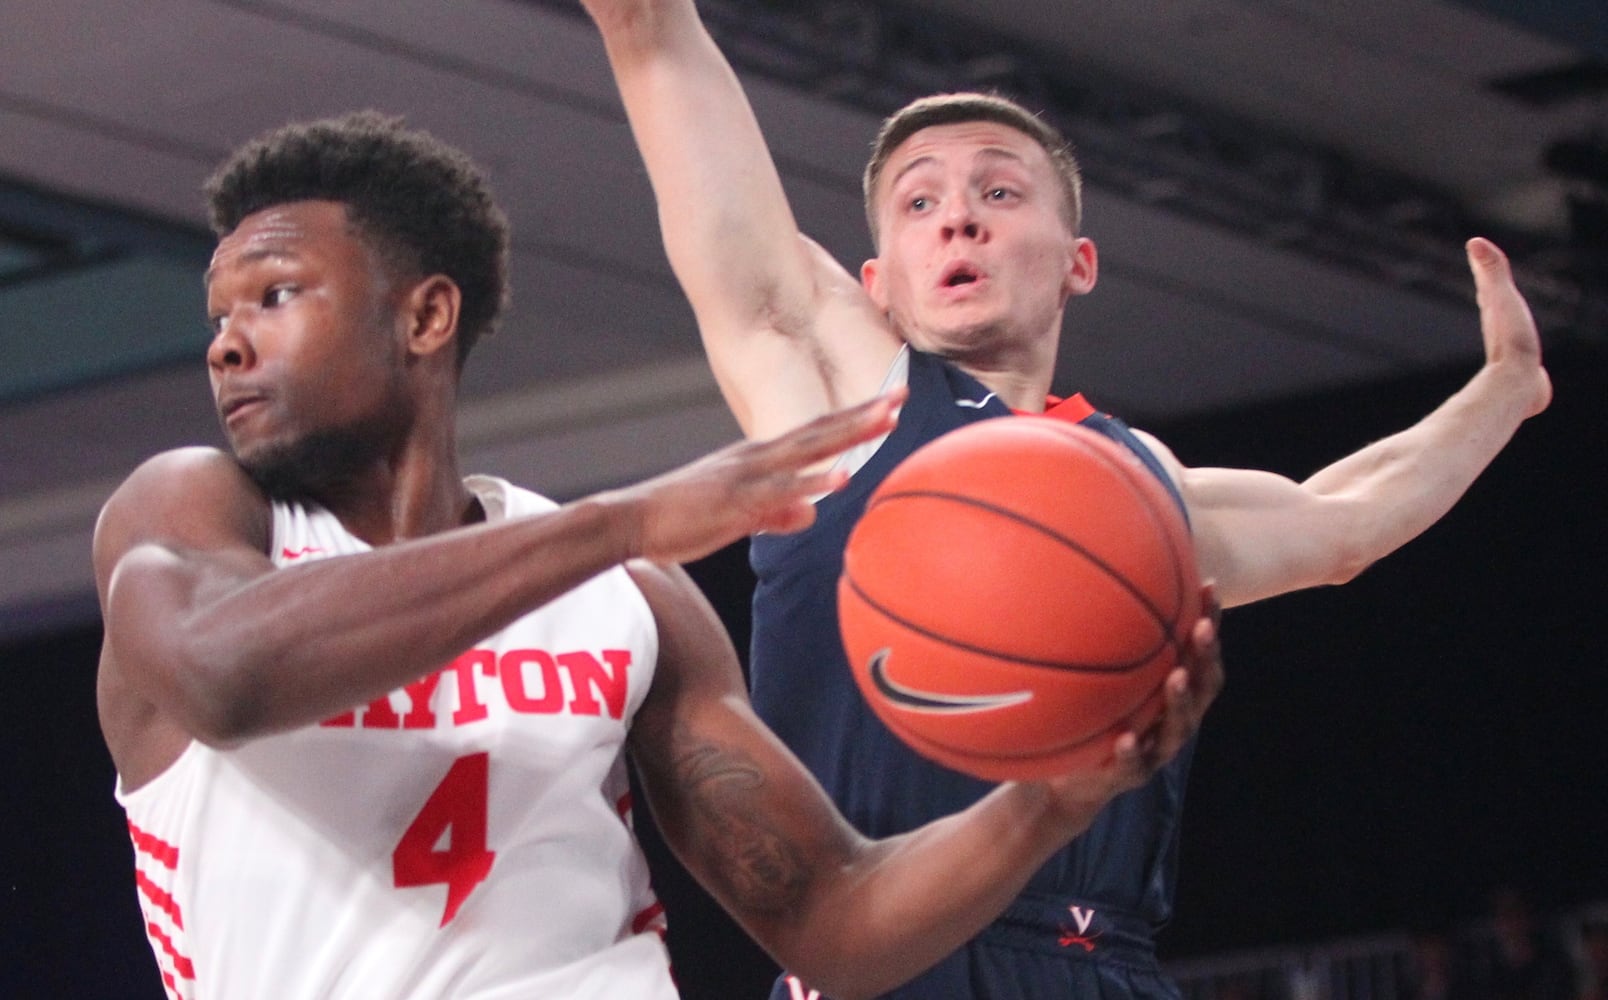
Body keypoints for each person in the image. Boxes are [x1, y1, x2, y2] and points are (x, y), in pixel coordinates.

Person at [91, 111, 1220, 1000]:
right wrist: (619, 521)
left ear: (425, 318)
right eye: (218, 312)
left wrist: (1049, 802)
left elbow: (832, 913)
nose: (227, 341)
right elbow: (225, 676)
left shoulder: (629, 601)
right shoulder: (190, 511)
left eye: (276, 294)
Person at [579, 1, 1553, 998]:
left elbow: (1344, 518)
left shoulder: (1135, 486)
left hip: (1104, 968)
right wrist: (640, 23)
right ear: (878, 286)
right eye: (918, 203)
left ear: (1077, 263)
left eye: (999, 190)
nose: (957, 214)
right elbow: (668, 70)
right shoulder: (838, 390)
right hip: (882, 950)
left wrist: (1505, 389)